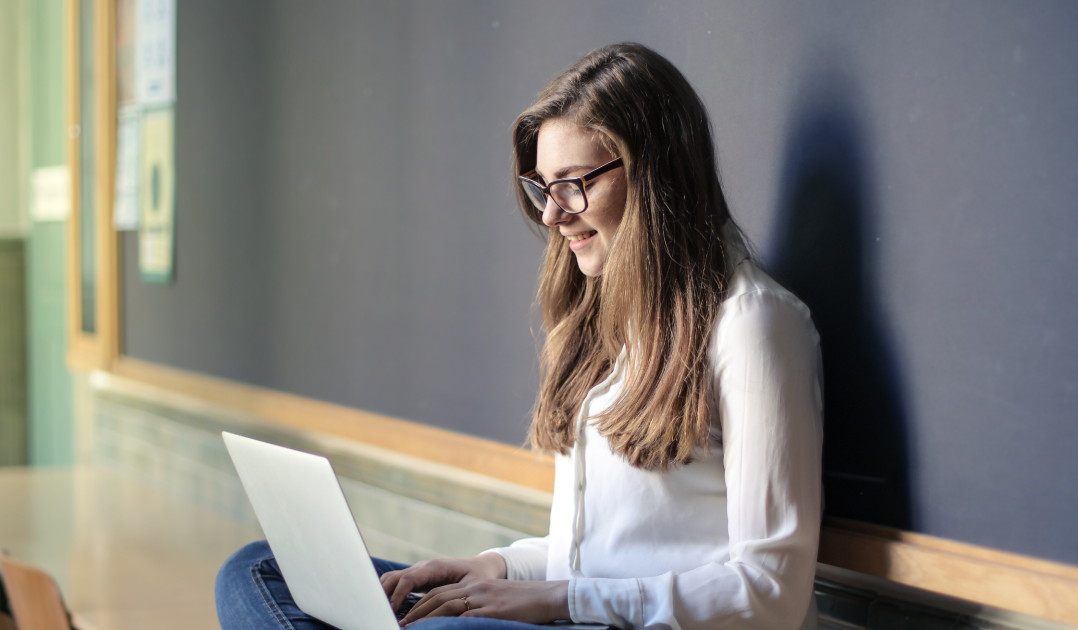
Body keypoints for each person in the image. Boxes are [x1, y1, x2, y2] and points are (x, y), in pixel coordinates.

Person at [215, 42, 823, 630]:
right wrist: (495, 566)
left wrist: (557, 600)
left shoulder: (754, 324)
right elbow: (588, 553)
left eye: (573, 183)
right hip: (578, 612)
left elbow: (771, 591)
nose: (552, 216)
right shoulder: (605, 323)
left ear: (655, 175)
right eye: (543, 187)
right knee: (257, 571)